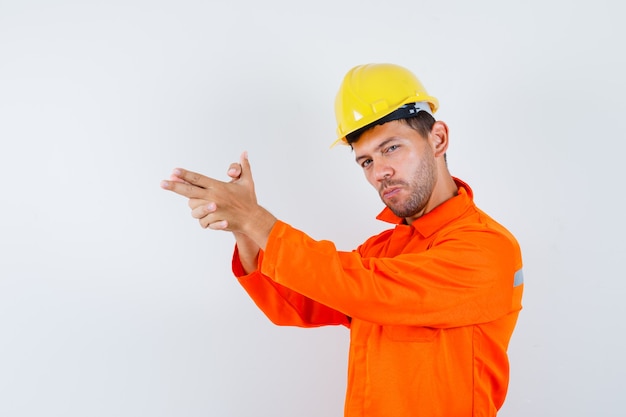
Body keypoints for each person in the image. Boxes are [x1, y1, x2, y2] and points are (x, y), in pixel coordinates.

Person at [161, 63, 524, 417]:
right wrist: (245, 229)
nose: (380, 171)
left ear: (438, 139)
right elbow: (298, 303)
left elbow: (362, 287)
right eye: (365, 161)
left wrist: (257, 220)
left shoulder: (486, 249)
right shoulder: (383, 251)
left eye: (392, 147)